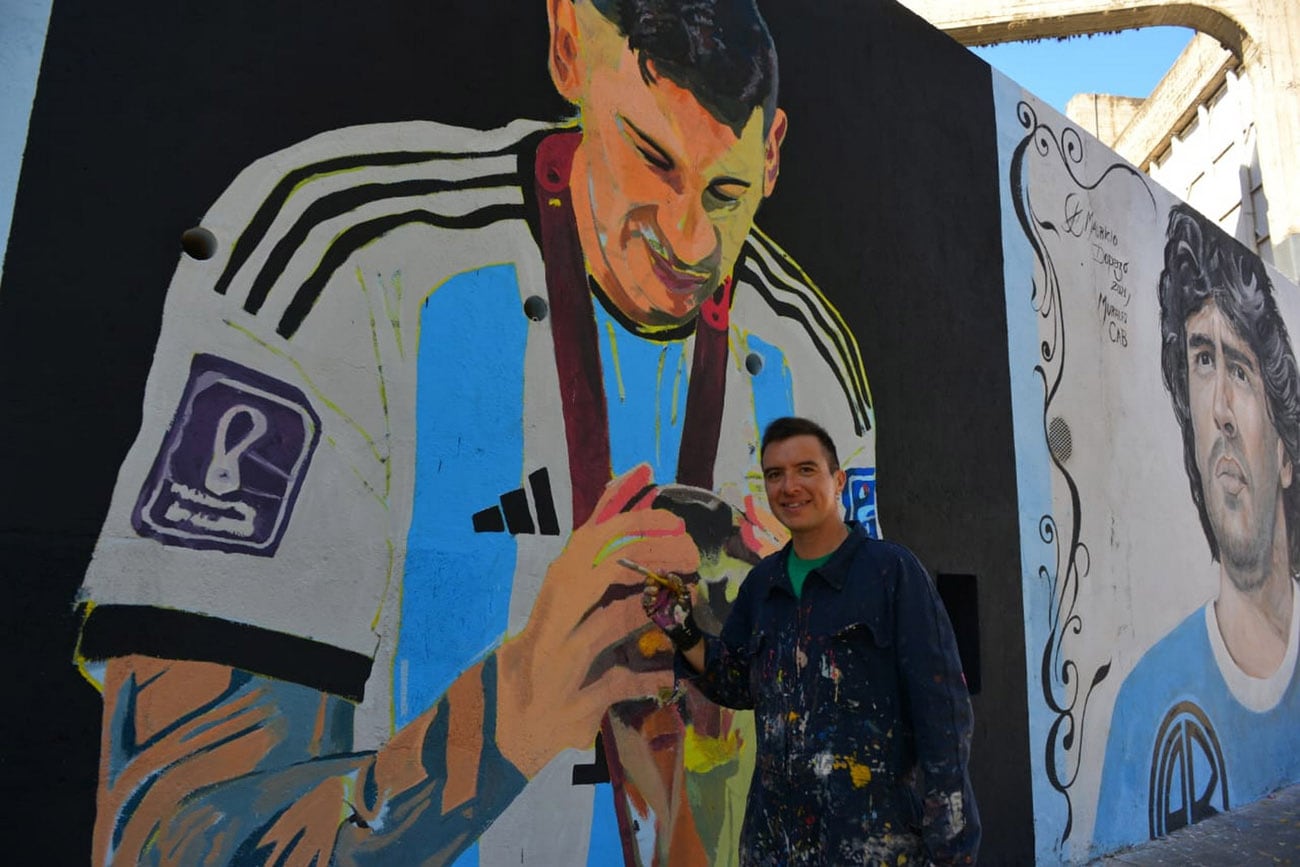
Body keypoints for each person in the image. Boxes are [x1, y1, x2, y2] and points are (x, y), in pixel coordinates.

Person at [74, 1, 877, 864]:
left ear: (776, 150)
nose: (689, 242)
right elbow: (172, 833)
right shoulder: (337, 253)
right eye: (651, 158)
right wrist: (514, 706)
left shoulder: (817, 360)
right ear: (568, 47)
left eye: (728, 192)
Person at [643, 416, 978, 865]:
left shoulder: (891, 574)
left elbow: (944, 715)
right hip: (773, 845)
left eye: (806, 469)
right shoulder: (764, 584)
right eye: (774, 474)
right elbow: (738, 684)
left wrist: (951, 848)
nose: (789, 487)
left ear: (837, 480)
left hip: (871, 844)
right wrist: (682, 629)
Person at [1095, 204, 1300, 846]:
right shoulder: (1142, 708)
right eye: (1202, 362)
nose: (1219, 412)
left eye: (1238, 370)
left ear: (1287, 454)